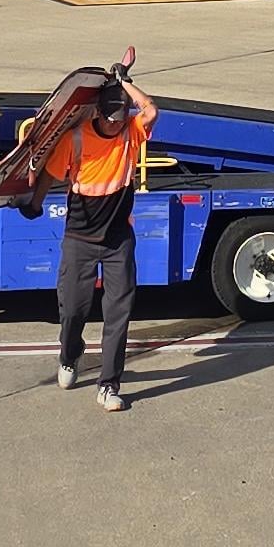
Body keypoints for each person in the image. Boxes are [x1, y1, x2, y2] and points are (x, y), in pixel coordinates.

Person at [43, 69, 156, 413]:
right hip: (80, 237)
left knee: (118, 312)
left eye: (120, 119)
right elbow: (47, 178)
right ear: (97, 114)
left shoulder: (131, 134)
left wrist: (123, 83)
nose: (115, 126)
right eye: (110, 120)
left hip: (118, 237)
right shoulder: (74, 139)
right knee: (74, 308)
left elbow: (150, 110)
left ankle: (108, 385)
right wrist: (30, 199)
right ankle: (69, 355)